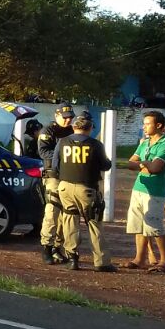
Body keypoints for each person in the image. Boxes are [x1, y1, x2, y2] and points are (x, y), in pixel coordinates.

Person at [54, 112, 115, 271]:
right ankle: (101, 261)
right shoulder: (95, 145)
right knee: (94, 223)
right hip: (86, 188)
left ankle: (72, 258)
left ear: (73, 127)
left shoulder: (62, 142)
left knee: (69, 222)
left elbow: (55, 166)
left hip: (65, 186)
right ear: (90, 128)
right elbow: (106, 165)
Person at [124, 110, 165, 270]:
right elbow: (130, 163)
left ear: (158, 125)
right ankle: (139, 259)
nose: (144, 127)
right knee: (139, 225)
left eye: (147, 124)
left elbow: (155, 168)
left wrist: (142, 164)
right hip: (139, 188)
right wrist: (145, 165)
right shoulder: (144, 143)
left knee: (154, 226)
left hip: (154, 191)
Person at [37, 104, 76, 264]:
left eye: (70, 117)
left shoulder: (73, 131)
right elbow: (44, 152)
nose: (68, 120)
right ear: (57, 115)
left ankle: (57, 248)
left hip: (69, 176)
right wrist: (64, 156)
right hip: (53, 176)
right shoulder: (48, 131)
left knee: (66, 215)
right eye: (65, 117)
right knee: (52, 211)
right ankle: (46, 246)